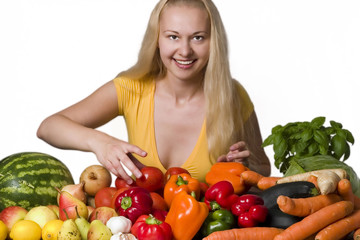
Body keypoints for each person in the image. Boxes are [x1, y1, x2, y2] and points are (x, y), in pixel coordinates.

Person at [37, 0, 271, 184]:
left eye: (198, 38)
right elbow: (48, 127)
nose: (185, 50)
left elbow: (263, 169)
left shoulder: (231, 96)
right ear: (157, 39)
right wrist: (101, 142)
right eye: (173, 37)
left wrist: (246, 168)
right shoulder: (131, 88)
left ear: (214, 42)